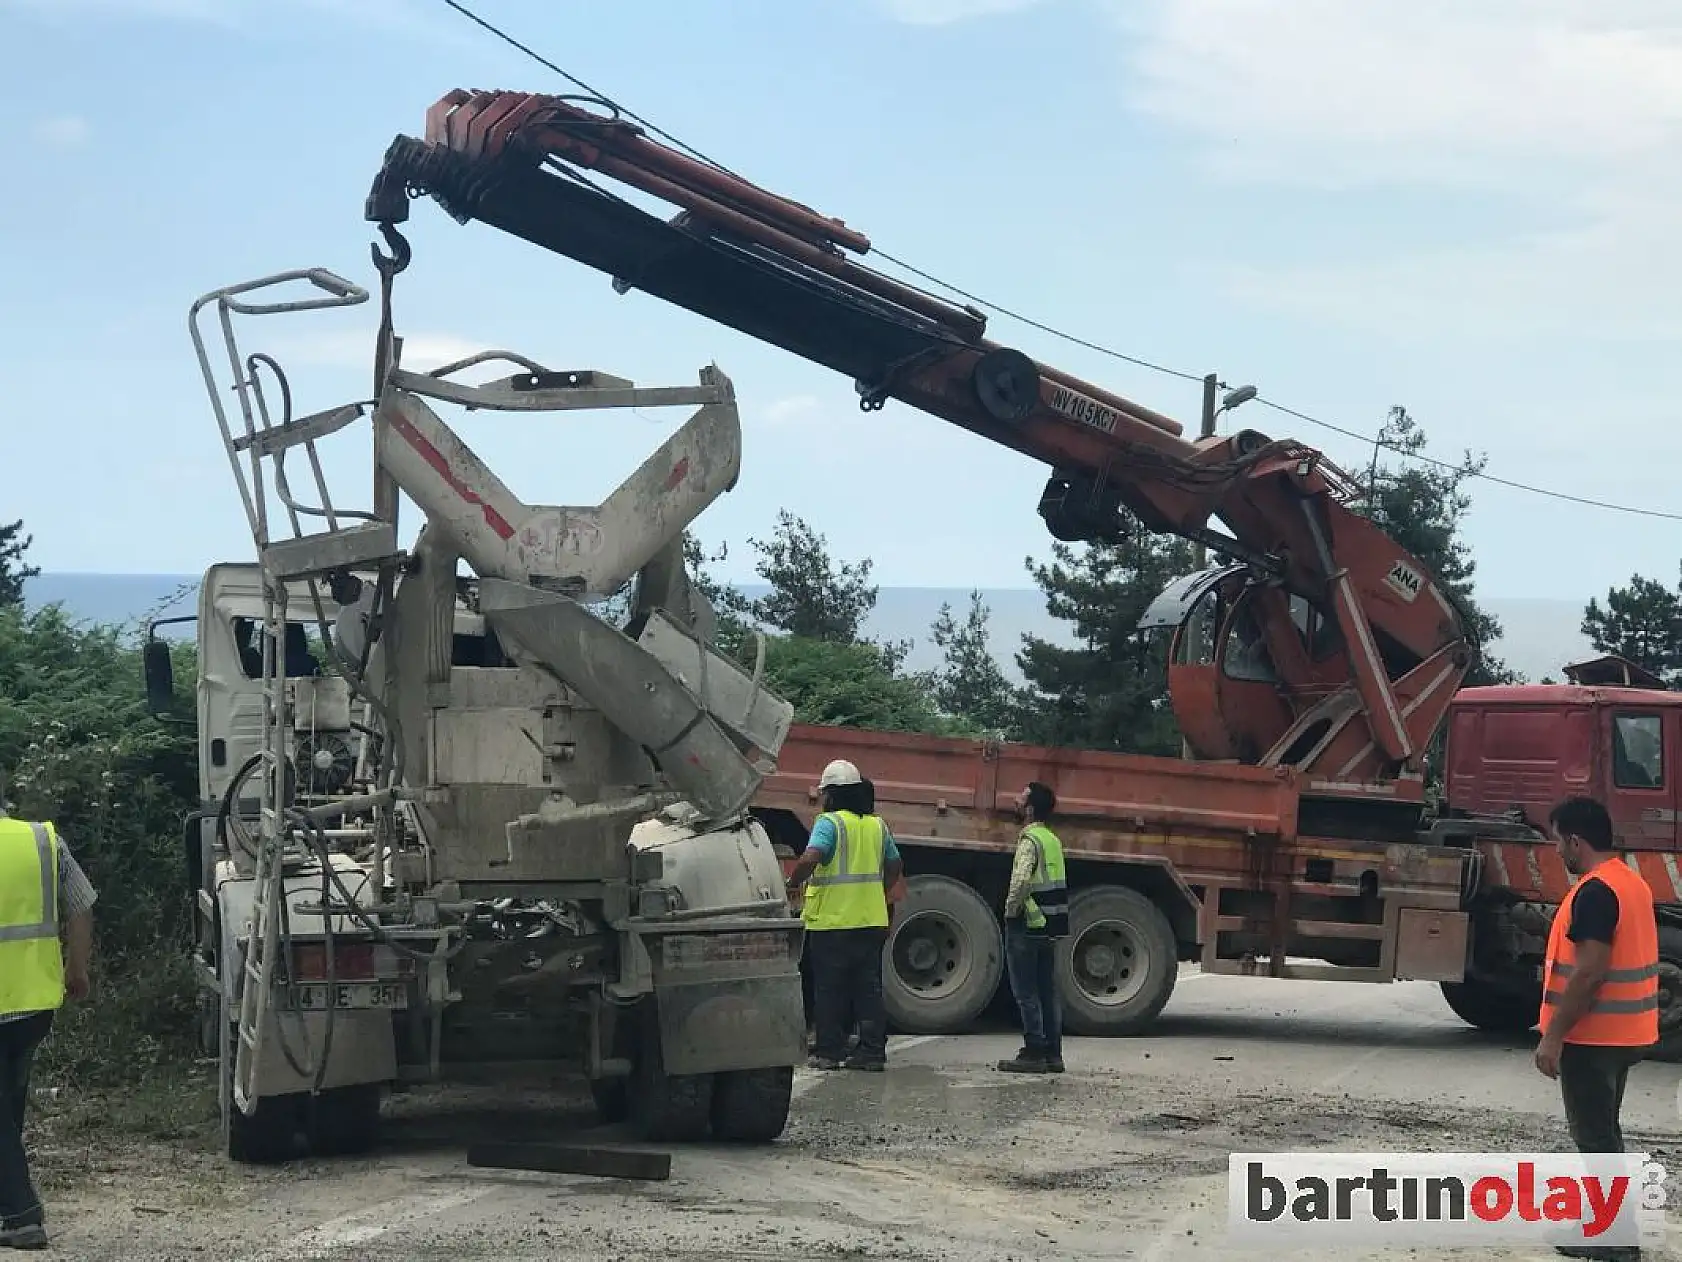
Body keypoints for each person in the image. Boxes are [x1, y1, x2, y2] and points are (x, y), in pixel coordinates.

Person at [1535, 795, 1657, 1258]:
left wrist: (1553, 1036)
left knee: (1595, 1137)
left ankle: (1615, 1242)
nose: (1557, 852)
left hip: (1594, 1036)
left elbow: (1589, 972)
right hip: (1625, 1034)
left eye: (1557, 842)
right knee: (1605, 1132)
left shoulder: (1595, 891)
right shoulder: (1630, 883)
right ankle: (1610, 1229)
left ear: (1574, 840)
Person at [0, 796, 97, 1251]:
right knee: (8, 1107)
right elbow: (80, 905)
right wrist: (76, 969)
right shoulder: (41, 839)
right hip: (33, 1005)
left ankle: (22, 1216)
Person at [785, 759, 902, 1071]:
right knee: (868, 989)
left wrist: (793, 882)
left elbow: (813, 856)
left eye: (826, 793)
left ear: (834, 794)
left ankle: (829, 1051)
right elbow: (894, 865)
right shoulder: (878, 825)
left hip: (834, 922)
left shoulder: (830, 823)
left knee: (829, 988)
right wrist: (878, 890)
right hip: (871, 921)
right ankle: (872, 1052)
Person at [998, 780, 1068, 1075]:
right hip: (1050, 926)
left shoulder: (1029, 841)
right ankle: (1053, 1054)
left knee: (1026, 992)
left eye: (1021, 797)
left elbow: (1021, 881)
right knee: (1046, 990)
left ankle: (1034, 1051)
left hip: (1027, 924)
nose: (1016, 801)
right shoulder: (1052, 839)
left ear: (1029, 809)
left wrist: (1010, 911)